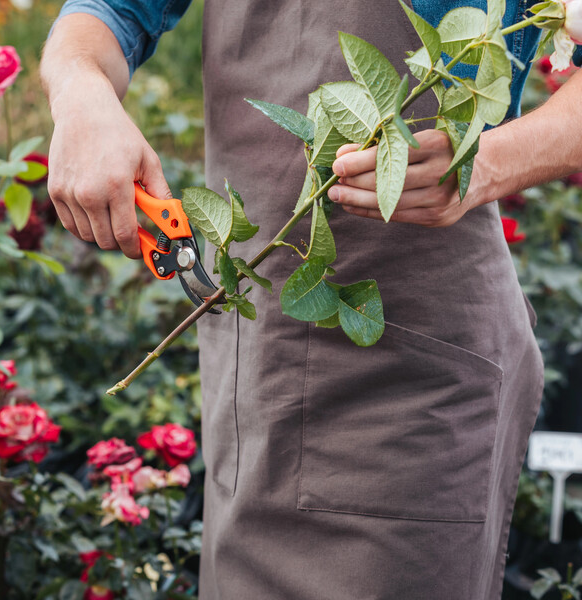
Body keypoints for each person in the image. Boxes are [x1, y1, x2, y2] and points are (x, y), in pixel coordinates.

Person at [41, 1, 581, 598]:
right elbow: (111, 13)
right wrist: (80, 91)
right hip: (256, 368)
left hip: (408, 392)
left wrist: (487, 165)